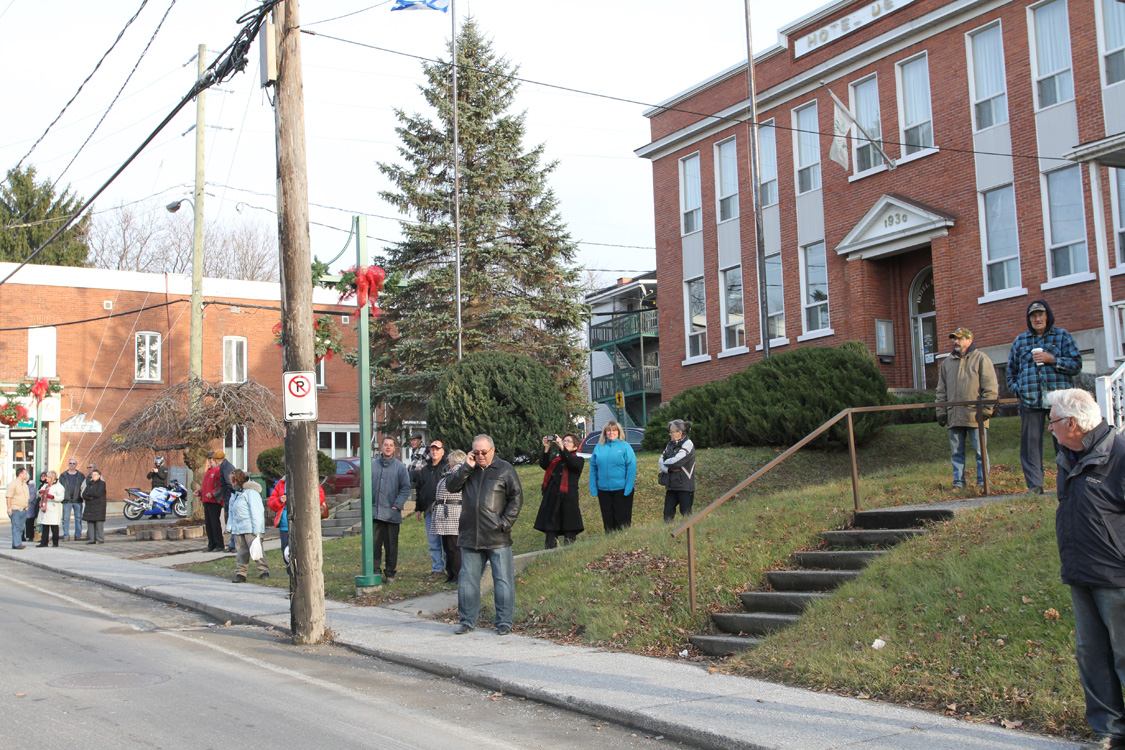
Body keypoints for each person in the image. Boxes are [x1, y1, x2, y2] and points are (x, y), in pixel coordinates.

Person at [1047, 388, 1125, 749]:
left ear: (1072, 423)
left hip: (1116, 574)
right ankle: (1108, 729)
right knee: (1091, 653)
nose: (1049, 428)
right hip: (1080, 572)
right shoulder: (1067, 455)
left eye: (1052, 422)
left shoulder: (1119, 453)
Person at [446, 434, 524, 635]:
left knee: (503, 580)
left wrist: (504, 523)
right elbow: (451, 486)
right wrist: (466, 467)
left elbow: (516, 498)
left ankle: (504, 622)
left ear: (493, 450)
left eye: (484, 452)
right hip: (470, 535)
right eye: (476, 452)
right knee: (467, 581)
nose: (480, 456)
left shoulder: (505, 469)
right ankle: (467, 620)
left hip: (497, 536)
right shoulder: (467, 469)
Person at [1007, 299, 1082, 494]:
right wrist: (1018, 389)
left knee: (1064, 441)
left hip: (1058, 399)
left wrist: (1053, 359)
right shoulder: (1021, 341)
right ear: (1029, 319)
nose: (1037, 318)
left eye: (1040, 314)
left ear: (1047, 316)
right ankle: (1035, 486)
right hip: (1030, 399)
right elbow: (1011, 371)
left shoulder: (1062, 336)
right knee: (1030, 444)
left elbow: (1076, 365)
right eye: (1033, 316)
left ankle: (1068, 482)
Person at [935, 327, 998, 490]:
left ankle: (983, 482)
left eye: (959, 338)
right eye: (954, 339)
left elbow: (990, 388)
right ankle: (958, 483)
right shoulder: (946, 363)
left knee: (980, 452)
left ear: (969, 340)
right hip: (954, 415)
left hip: (975, 415)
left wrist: (985, 410)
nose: (956, 341)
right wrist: (941, 411)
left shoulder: (981, 359)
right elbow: (941, 389)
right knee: (956, 453)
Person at [266, 474, 326, 578]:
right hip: (285, 525)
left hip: (303, 523)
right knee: (287, 554)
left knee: (302, 552)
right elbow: (271, 503)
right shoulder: (281, 484)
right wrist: (280, 500)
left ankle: (303, 577)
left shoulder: (309, 479)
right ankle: (293, 578)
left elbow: (320, 497)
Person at [370, 436, 411, 582]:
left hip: (392, 514)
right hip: (374, 514)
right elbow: (364, 486)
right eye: (385, 445)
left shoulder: (400, 468)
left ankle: (390, 573)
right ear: (381, 447)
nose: (388, 447)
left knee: (391, 546)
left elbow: (405, 488)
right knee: (374, 545)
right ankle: (375, 572)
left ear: (394, 448)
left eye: (391, 445)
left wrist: (397, 505)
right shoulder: (372, 465)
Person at [533, 433, 584, 548]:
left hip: (568, 498)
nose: (565, 442)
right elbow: (544, 464)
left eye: (568, 441)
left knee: (569, 528)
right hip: (552, 497)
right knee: (551, 528)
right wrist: (546, 447)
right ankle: (550, 551)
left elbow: (571, 463)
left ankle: (569, 552)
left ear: (575, 446)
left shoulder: (578, 460)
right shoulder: (557, 460)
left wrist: (562, 448)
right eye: (564, 440)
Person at [588, 420, 636, 533]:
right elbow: (593, 468)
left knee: (622, 523)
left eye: (614, 430)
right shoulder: (599, 447)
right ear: (605, 433)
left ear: (619, 432)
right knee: (608, 522)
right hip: (603, 490)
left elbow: (631, 467)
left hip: (622, 489)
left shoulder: (625, 446)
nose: (611, 433)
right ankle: (610, 545)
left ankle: (623, 544)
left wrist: (628, 487)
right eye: (608, 430)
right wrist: (593, 488)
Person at [413, 438, 449, 576]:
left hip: (443, 509)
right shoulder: (425, 470)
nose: (434, 452)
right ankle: (437, 568)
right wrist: (418, 508)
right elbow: (419, 489)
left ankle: (449, 567)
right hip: (428, 510)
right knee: (433, 542)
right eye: (432, 449)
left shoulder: (446, 467)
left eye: (437, 449)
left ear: (442, 452)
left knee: (444, 541)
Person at [431, 449, 467, 583]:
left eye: (450, 460)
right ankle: (451, 574)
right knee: (448, 546)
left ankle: (457, 576)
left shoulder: (457, 472)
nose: (449, 462)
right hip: (446, 514)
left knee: (453, 547)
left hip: (452, 514)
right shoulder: (450, 473)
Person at [227, 469, 268, 582]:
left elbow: (257, 511)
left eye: (231, 480)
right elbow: (232, 511)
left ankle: (263, 571)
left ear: (236, 480)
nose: (230, 482)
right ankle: (241, 573)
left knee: (256, 550)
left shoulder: (250, 492)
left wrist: (258, 530)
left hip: (250, 527)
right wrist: (230, 526)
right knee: (241, 551)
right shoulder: (235, 494)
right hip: (238, 528)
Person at [659, 420, 697, 522]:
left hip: (685, 487)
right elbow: (660, 463)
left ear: (679, 432)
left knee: (686, 515)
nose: (670, 434)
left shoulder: (688, 444)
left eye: (672, 432)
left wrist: (666, 462)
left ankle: (689, 536)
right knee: (667, 515)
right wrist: (669, 469)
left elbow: (677, 462)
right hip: (671, 486)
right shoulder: (670, 444)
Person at [198, 454, 225, 552]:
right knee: (208, 524)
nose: (211, 461)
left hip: (214, 501)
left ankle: (219, 544)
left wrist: (213, 494)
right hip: (206, 500)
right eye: (210, 459)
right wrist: (200, 492)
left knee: (215, 523)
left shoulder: (218, 471)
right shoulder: (207, 472)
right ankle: (211, 544)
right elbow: (206, 487)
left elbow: (220, 486)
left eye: (213, 459)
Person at [214, 450, 237, 551]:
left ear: (218, 460)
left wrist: (227, 499)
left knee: (232, 520)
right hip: (229, 497)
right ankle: (232, 544)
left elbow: (229, 484)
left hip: (230, 497)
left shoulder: (226, 468)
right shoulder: (225, 466)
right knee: (231, 520)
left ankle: (234, 544)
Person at [58, 458, 84, 541]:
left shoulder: (80, 475)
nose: (72, 465)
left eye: (73, 463)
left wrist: (82, 496)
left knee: (78, 518)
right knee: (65, 519)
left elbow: (83, 487)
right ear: (68, 464)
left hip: (77, 499)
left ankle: (78, 535)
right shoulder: (63, 476)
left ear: (76, 465)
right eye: (70, 463)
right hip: (67, 500)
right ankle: (66, 535)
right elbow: (60, 487)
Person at [35, 470, 63, 547]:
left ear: (52, 478)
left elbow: (61, 497)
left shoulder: (59, 487)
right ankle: (44, 542)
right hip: (45, 508)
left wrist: (53, 497)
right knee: (45, 526)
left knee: (54, 527)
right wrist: (40, 492)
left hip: (53, 508)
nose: (46, 478)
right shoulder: (45, 485)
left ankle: (55, 543)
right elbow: (38, 493)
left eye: (47, 477)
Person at [81, 468, 108, 544]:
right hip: (89, 506)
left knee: (99, 524)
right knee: (90, 524)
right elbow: (84, 494)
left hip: (99, 507)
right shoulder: (89, 483)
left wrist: (89, 494)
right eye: (92, 475)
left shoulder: (102, 483)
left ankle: (100, 539)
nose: (93, 476)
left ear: (99, 476)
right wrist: (89, 496)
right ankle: (91, 539)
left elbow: (98, 493)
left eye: (95, 475)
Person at [6, 467, 29, 549]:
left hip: (23, 509)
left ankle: (15, 543)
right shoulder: (13, 484)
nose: (27, 475)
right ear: (20, 474)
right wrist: (9, 508)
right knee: (16, 527)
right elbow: (9, 496)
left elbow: (26, 496)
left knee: (21, 527)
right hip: (15, 509)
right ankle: (17, 544)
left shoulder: (25, 485)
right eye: (25, 473)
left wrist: (26, 506)